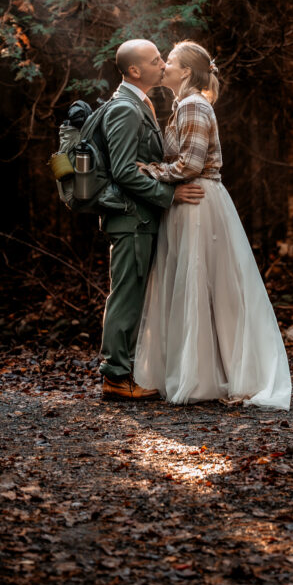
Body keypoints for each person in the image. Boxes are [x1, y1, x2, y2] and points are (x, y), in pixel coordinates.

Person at [134, 41, 291, 410]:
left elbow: (189, 164)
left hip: (199, 202)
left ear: (185, 72)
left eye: (169, 61)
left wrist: (148, 172)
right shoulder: (183, 106)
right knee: (196, 284)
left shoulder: (192, 105)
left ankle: (224, 375)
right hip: (189, 201)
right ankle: (201, 371)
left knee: (210, 285)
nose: (163, 66)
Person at [99, 39, 204, 401]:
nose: (163, 64)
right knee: (126, 295)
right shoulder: (126, 108)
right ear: (134, 71)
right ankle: (115, 376)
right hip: (130, 218)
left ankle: (123, 373)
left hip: (140, 218)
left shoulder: (139, 104)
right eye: (155, 59)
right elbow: (125, 170)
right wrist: (169, 195)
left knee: (133, 294)